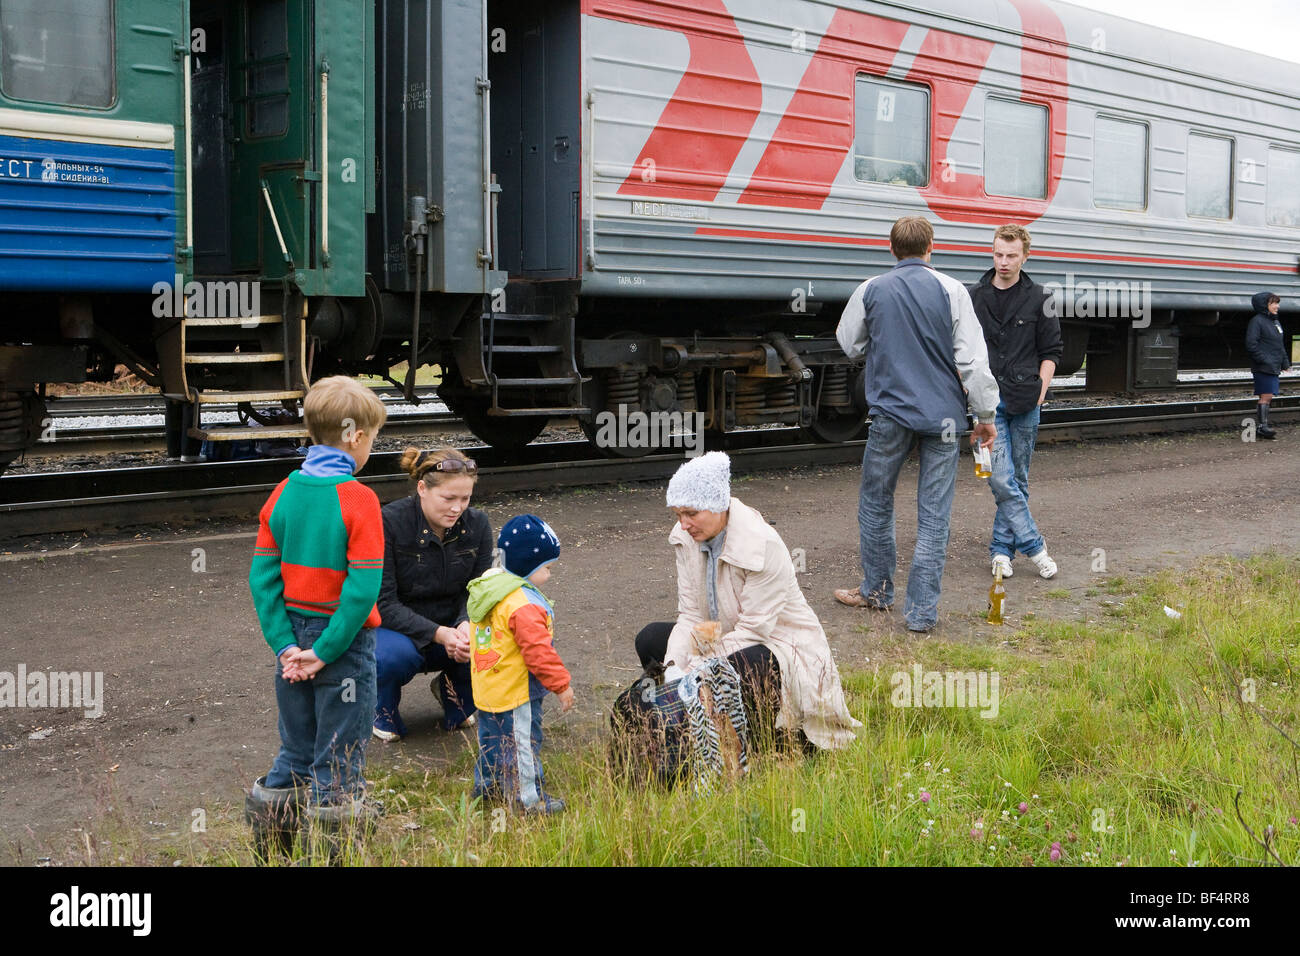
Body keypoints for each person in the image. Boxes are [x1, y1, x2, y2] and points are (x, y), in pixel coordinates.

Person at [832, 215, 1000, 632]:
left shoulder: (871, 289)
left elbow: (849, 342)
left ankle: (877, 591)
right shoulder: (953, 290)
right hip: (942, 419)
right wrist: (985, 417)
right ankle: (922, 614)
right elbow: (974, 364)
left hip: (890, 416)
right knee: (933, 515)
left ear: (891, 249)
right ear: (931, 248)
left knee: (876, 503)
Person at [245, 375, 388, 853]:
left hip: (292, 640)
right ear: (358, 438)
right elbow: (363, 588)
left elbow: (263, 579)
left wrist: (287, 646)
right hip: (341, 645)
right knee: (340, 757)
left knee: (297, 748)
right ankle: (337, 856)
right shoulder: (359, 499)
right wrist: (324, 651)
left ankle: (273, 848)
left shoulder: (282, 492)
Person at [635, 452, 861, 750]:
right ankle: (696, 727)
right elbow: (691, 616)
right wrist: (676, 668)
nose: (684, 524)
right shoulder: (685, 536)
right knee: (651, 639)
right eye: (678, 514)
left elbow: (754, 631)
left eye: (691, 513)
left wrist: (697, 669)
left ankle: (767, 737)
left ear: (717, 506)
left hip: (780, 647)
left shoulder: (762, 544)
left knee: (745, 663)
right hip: (722, 634)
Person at [372, 447, 493, 740]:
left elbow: (480, 590)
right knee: (390, 658)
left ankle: (455, 693)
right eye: (449, 498)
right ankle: (380, 706)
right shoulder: (388, 522)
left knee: (493, 637)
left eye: (465, 499)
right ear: (422, 489)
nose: (457, 508)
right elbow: (383, 603)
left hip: (453, 626)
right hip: (396, 629)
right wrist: (440, 634)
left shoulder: (478, 524)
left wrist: (466, 623)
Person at [968, 224, 1062, 579]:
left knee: (1017, 480)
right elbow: (963, 348)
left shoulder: (1041, 296)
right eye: (997, 254)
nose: (1003, 262)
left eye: (1010, 255)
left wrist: (1041, 391)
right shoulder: (975, 295)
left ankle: (1001, 553)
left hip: (1025, 401)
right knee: (1001, 479)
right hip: (987, 405)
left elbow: (1052, 350)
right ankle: (1035, 547)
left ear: (1025, 256)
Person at [466, 515, 574, 813]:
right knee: (522, 745)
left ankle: (486, 788)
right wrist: (561, 684)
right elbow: (539, 651)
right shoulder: (523, 605)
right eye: (547, 568)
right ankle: (527, 799)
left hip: (488, 686)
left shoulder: (490, 588)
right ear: (528, 564)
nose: (550, 575)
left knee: (491, 742)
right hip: (516, 692)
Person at [1246, 291, 1289, 440]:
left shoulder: (1275, 322)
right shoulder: (1257, 321)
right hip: (1263, 366)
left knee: (1268, 396)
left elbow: (1279, 344)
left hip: (1273, 365)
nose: (1277, 306)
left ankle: (1262, 426)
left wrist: (1285, 362)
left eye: (1277, 303)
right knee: (1266, 395)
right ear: (1265, 305)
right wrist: (1264, 360)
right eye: (1274, 303)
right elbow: (1251, 344)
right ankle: (1262, 427)